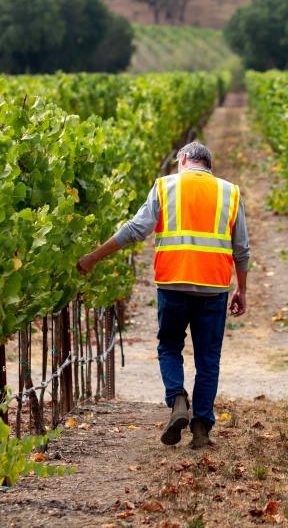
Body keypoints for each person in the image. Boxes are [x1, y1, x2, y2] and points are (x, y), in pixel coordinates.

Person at [76, 141, 249, 449]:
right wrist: (242, 290)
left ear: (182, 160)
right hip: (213, 286)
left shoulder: (165, 186)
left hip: (172, 283)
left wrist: (94, 256)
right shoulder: (229, 192)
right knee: (208, 359)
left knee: (169, 346)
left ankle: (178, 399)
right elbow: (242, 250)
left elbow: (134, 229)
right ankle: (201, 429)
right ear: (208, 166)